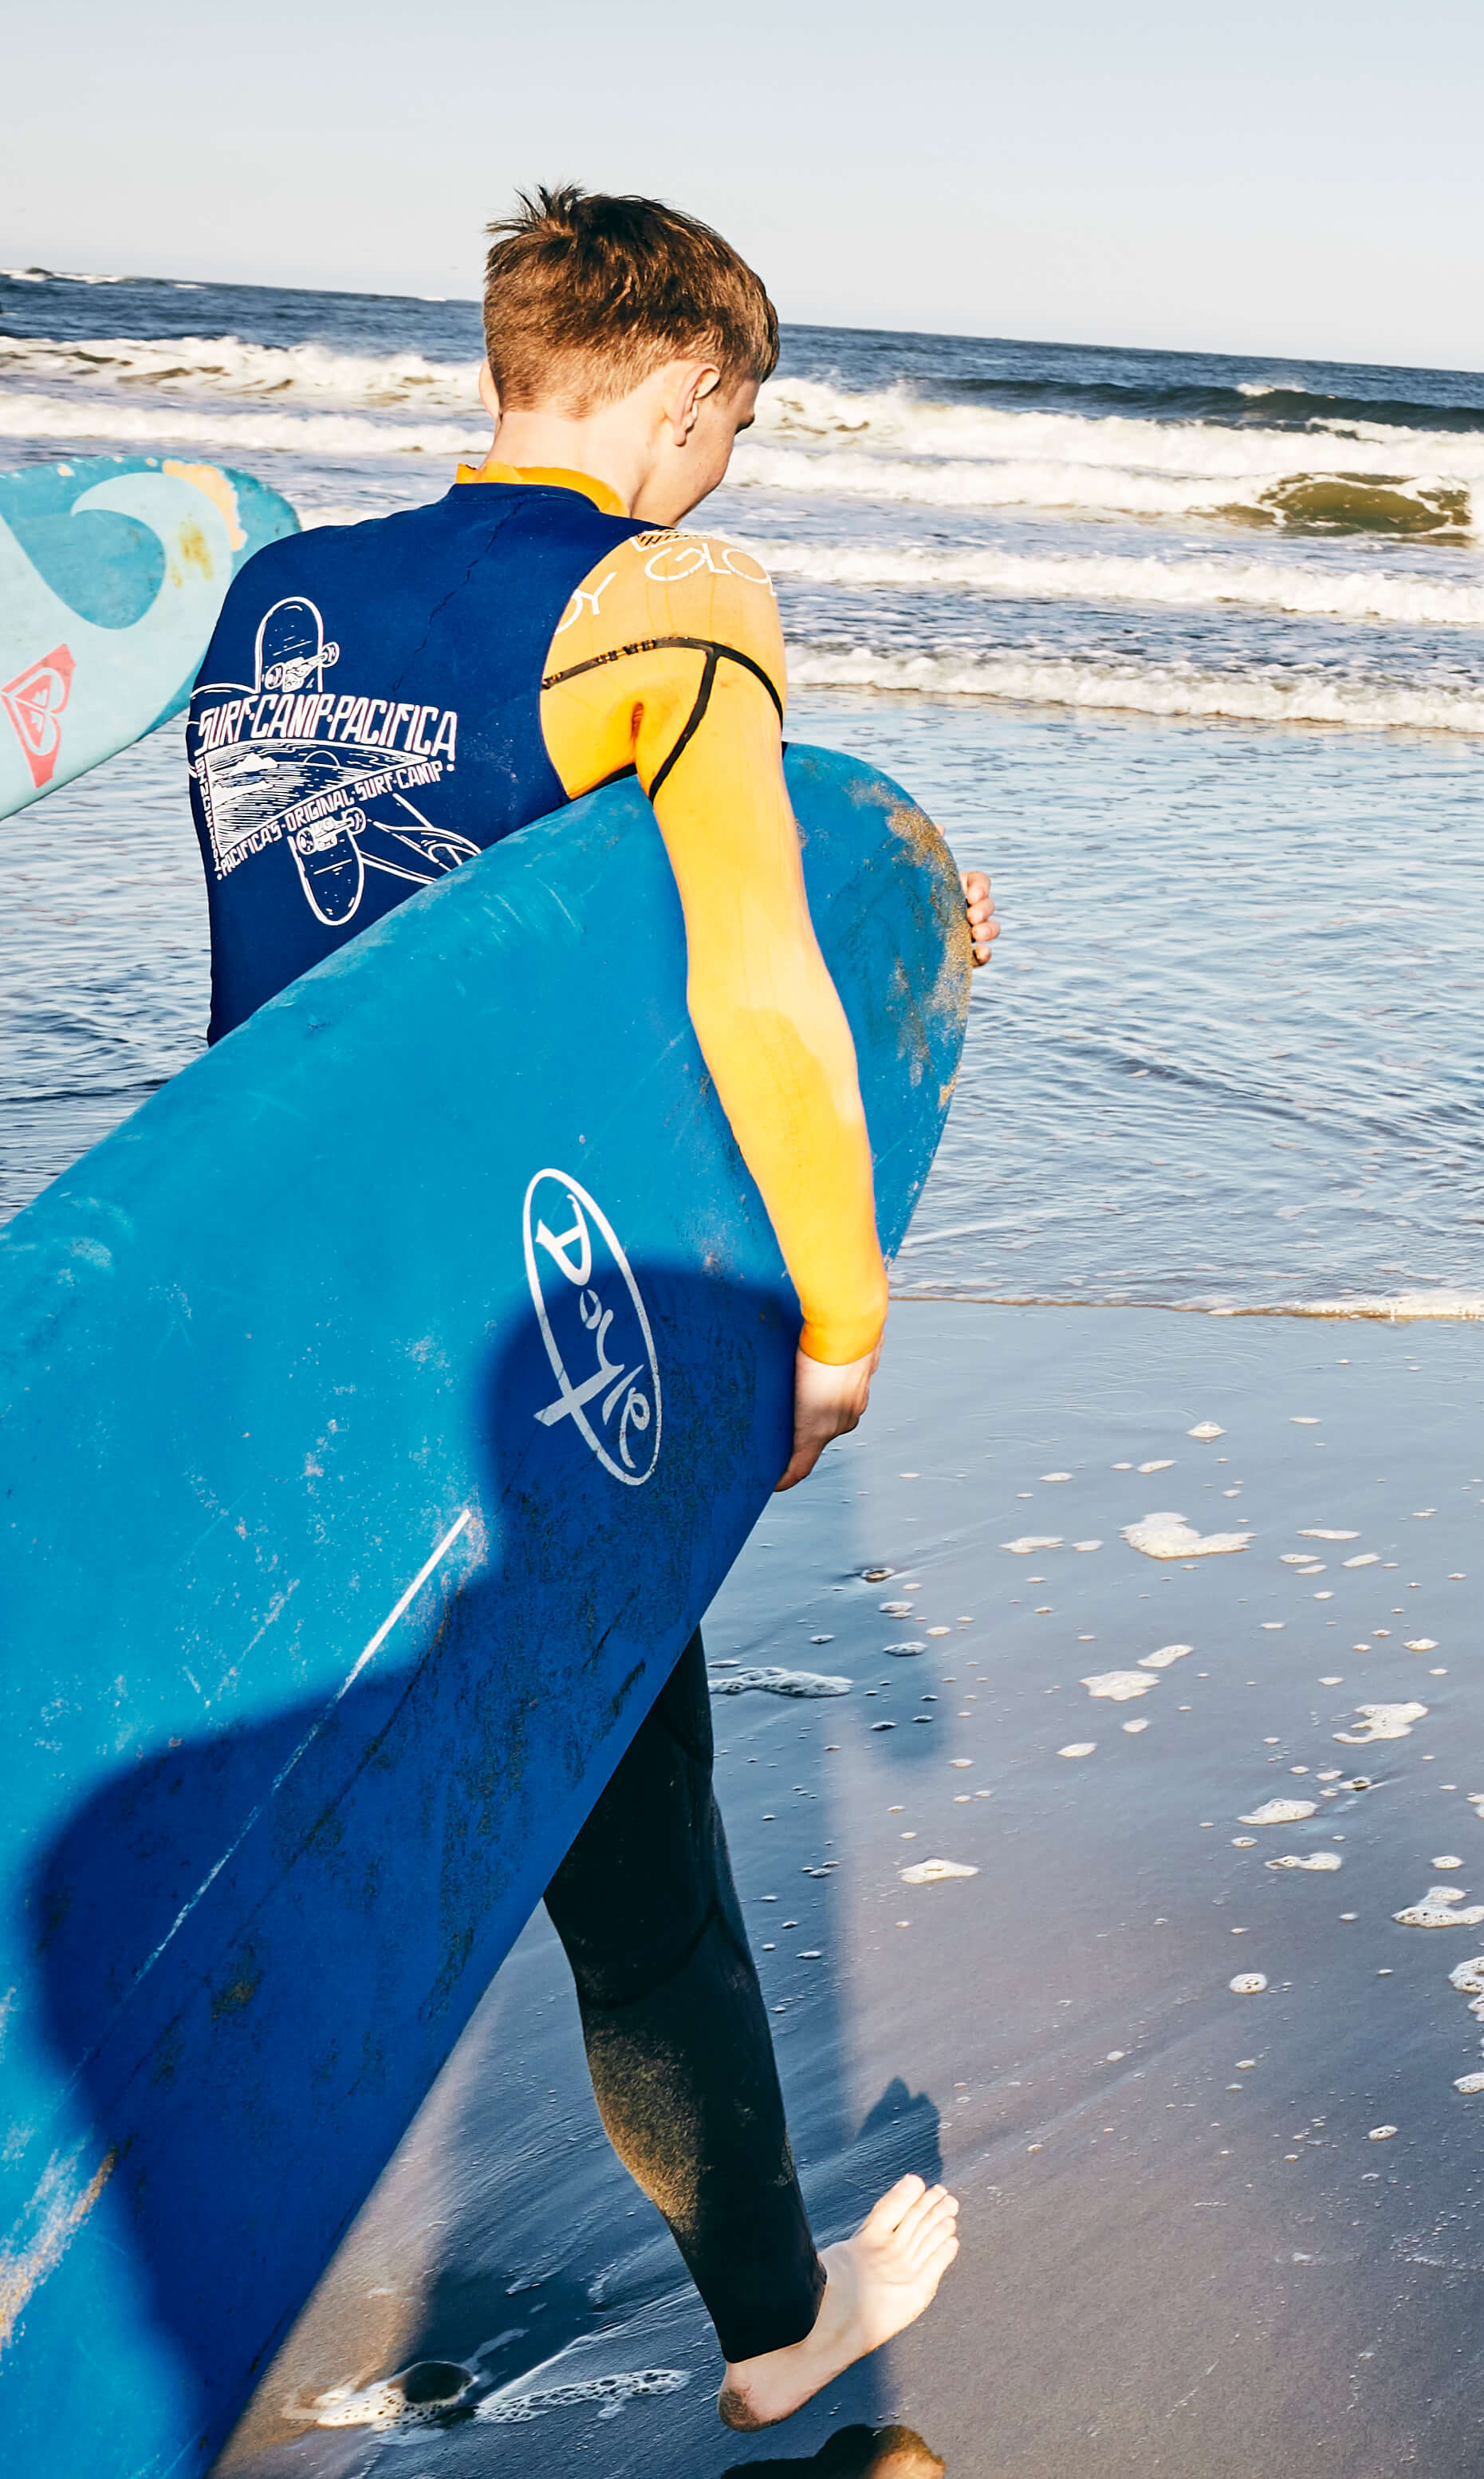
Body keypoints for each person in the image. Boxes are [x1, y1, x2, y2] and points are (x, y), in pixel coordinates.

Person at [180, 188, 993, 2430]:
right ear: (684, 390)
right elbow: (747, 975)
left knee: (232, 1801)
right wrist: (840, 1307)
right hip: (521, 1343)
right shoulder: (675, 592)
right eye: (732, 419)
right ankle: (771, 2325)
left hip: (261, 1312)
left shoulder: (276, 605)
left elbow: (385, 944)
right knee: (637, 1872)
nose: (727, 466)